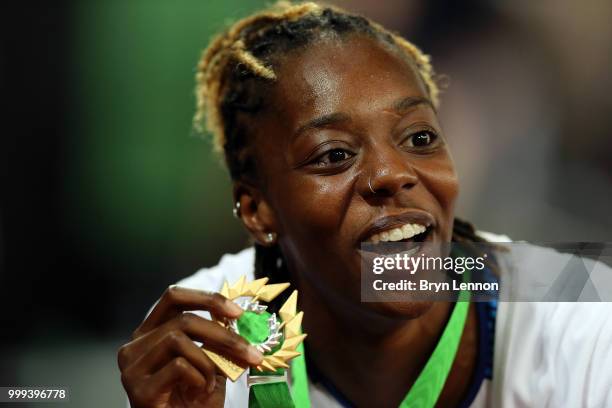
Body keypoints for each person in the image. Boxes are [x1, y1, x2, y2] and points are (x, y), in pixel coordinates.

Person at [117, 2, 612, 407]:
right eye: (334, 154)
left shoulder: (582, 318)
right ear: (257, 211)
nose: (393, 174)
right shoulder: (206, 343)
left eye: (420, 137)